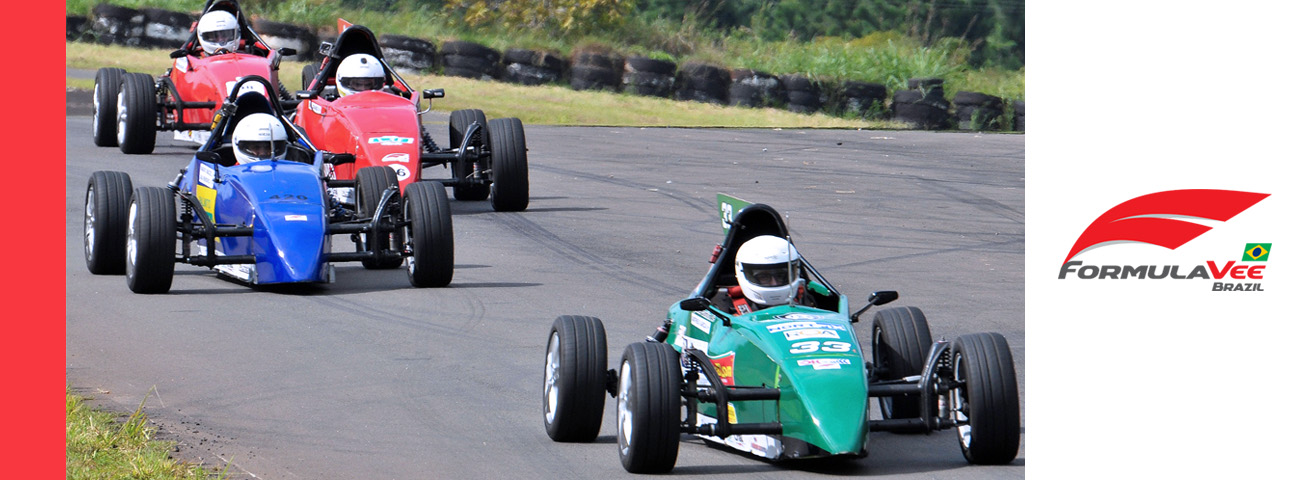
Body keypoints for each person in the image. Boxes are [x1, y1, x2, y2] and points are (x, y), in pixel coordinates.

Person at [714, 235, 815, 315]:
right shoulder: (723, 306)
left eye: (780, 276)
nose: (774, 283)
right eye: (764, 277)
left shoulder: (805, 298)